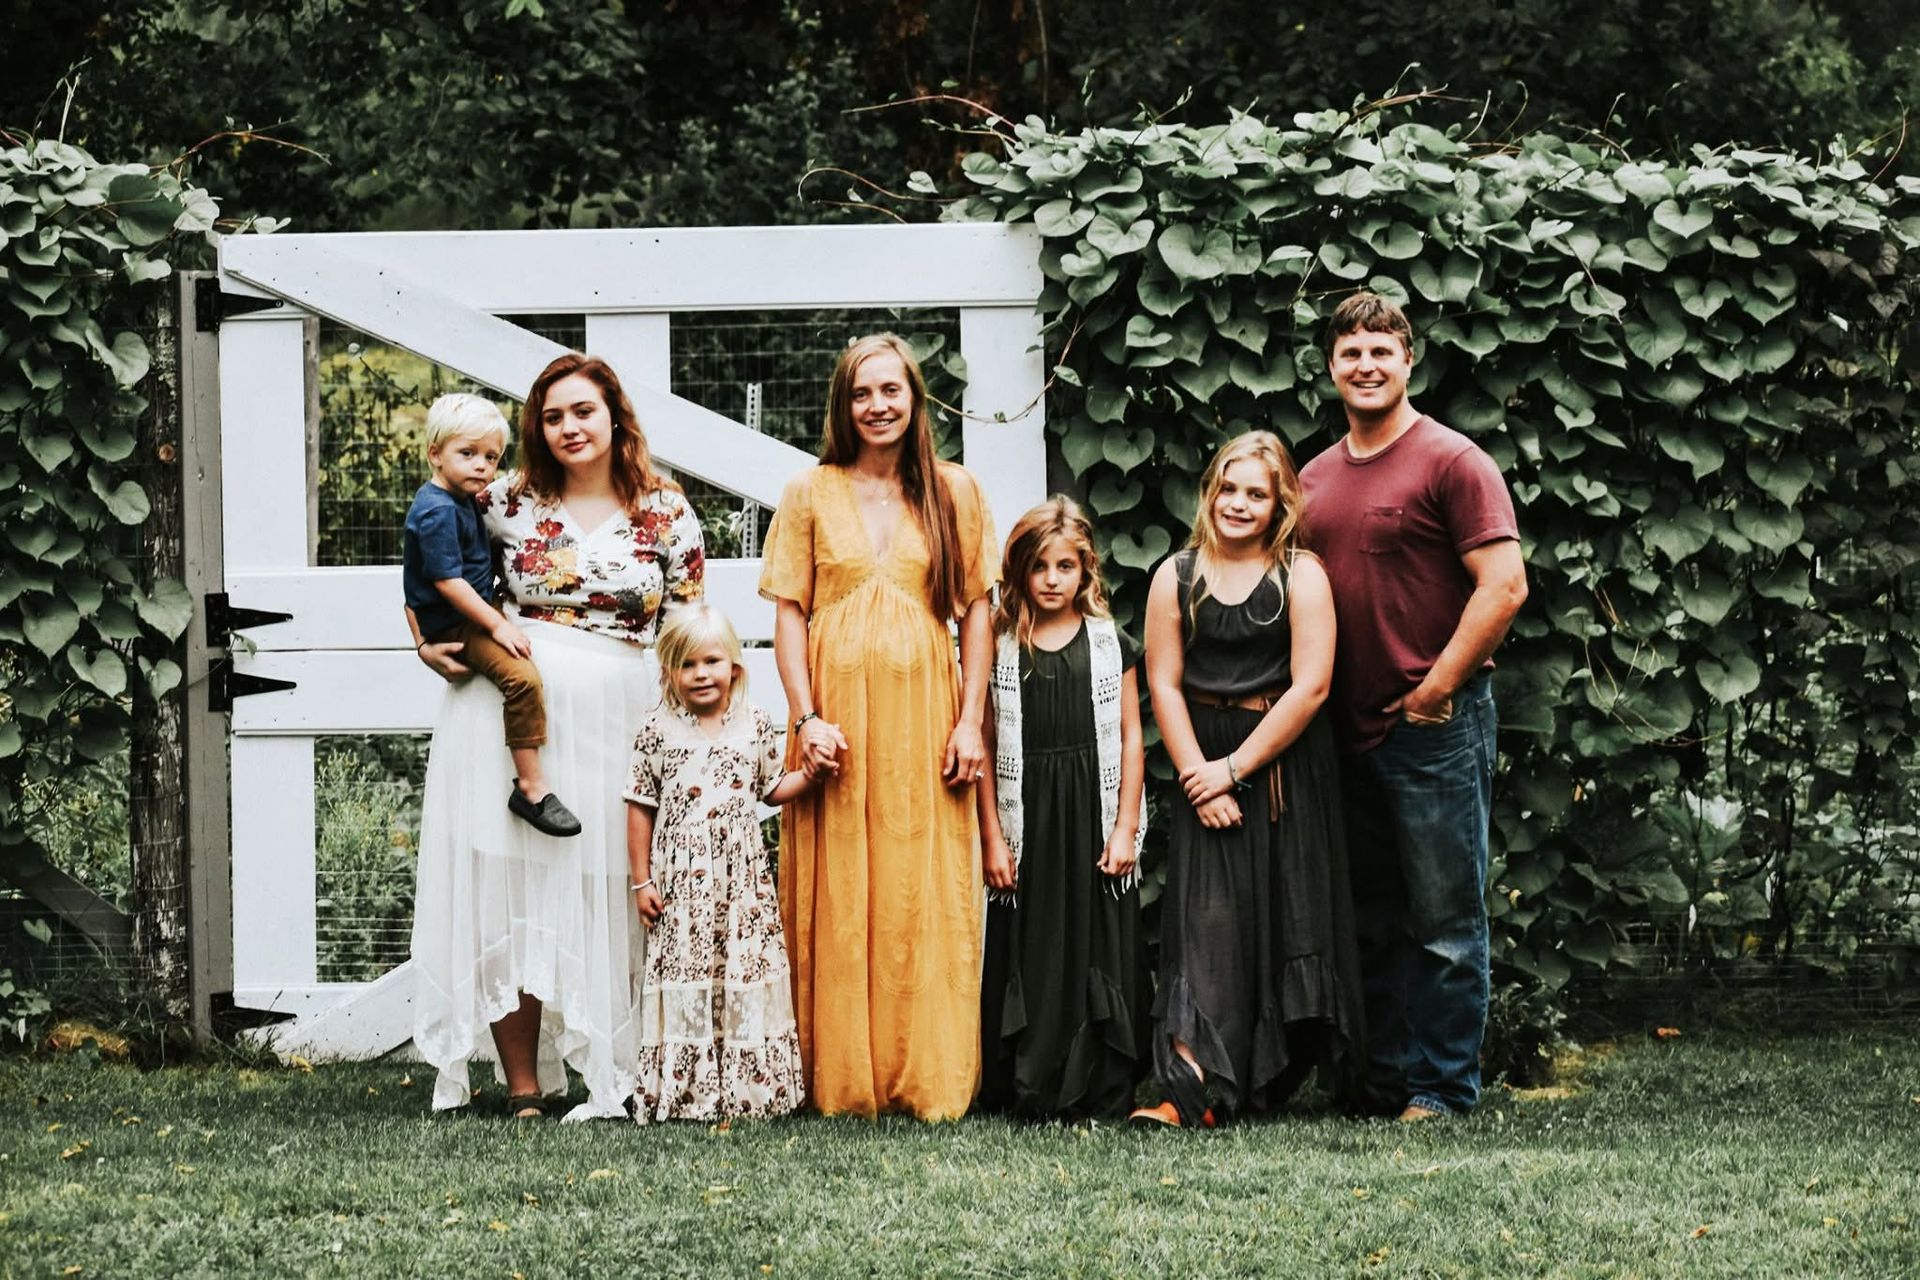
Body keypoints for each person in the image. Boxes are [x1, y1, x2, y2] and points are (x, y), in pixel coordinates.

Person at [408, 352, 705, 1121]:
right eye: (552, 416)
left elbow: (688, 622)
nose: (569, 427)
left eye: (583, 411)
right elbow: (428, 560)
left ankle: (619, 1065)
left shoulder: (666, 510)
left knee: (610, 883)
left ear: (615, 417)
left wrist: (687, 724)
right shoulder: (502, 498)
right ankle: (524, 1086)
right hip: (512, 722)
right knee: (514, 890)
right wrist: (421, 637)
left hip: (621, 713)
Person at [1298, 291, 1528, 1122]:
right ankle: (1385, 1080)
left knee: (1444, 921)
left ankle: (1442, 1087)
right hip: (1344, 730)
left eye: (1381, 352)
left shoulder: (1452, 461)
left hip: (1434, 728)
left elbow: (1504, 586)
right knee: (1372, 916)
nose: (1366, 366)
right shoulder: (1312, 478)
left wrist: (1437, 688)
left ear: (1408, 362)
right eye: (1351, 353)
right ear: (1332, 367)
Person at [759, 332, 999, 1120]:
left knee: (917, 887)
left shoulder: (954, 490)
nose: (877, 406)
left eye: (891, 390)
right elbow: (788, 614)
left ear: (915, 398)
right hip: (834, 723)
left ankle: (922, 1071)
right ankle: (841, 1075)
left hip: (926, 718)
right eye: (861, 393)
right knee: (841, 884)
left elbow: (977, 611)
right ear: (843, 404)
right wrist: (805, 718)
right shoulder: (809, 492)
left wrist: (971, 723)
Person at [1130, 431, 1365, 1129]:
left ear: (1279, 505)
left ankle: (1263, 1079)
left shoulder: (1302, 575)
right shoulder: (1175, 576)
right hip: (1201, 760)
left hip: (1284, 764)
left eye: (1256, 494)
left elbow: (1312, 685)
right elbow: (1163, 683)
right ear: (1210, 493)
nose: (1238, 503)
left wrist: (1234, 770)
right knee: (1205, 923)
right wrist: (1198, 778)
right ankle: (1189, 1089)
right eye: (1227, 488)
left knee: (1286, 917)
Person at [975, 497, 1151, 1119]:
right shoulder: (1000, 648)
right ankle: (1031, 1079)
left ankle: (1100, 1079)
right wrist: (993, 838)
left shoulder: (1110, 645)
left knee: (1094, 941)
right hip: (1028, 820)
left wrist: (1125, 826)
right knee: (1036, 946)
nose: (1052, 580)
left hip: (1092, 818)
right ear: (1020, 571)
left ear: (1085, 570)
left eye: (1065, 566)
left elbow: (1130, 737)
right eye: (1039, 567)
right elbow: (986, 742)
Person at [624, 604, 816, 1123]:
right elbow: (639, 804)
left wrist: (813, 775)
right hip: (682, 884)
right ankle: (687, 1090)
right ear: (669, 672)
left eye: (711, 661)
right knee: (690, 972)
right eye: (686, 664)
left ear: (734, 666)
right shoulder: (657, 729)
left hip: (741, 883)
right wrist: (641, 880)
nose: (700, 674)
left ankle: (750, 1088)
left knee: (739, 969)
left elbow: (773, 788)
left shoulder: (754, 724)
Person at [401, 392, 580, 838]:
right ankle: (531, 788)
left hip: (473, 610)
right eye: (468, 454)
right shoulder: (438, 511)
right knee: (522, 679)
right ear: (435, 454)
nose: (482, 466)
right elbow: (447, 582)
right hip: (458, 623)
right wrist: (497, 624)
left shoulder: (458, 497)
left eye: (491, 457)